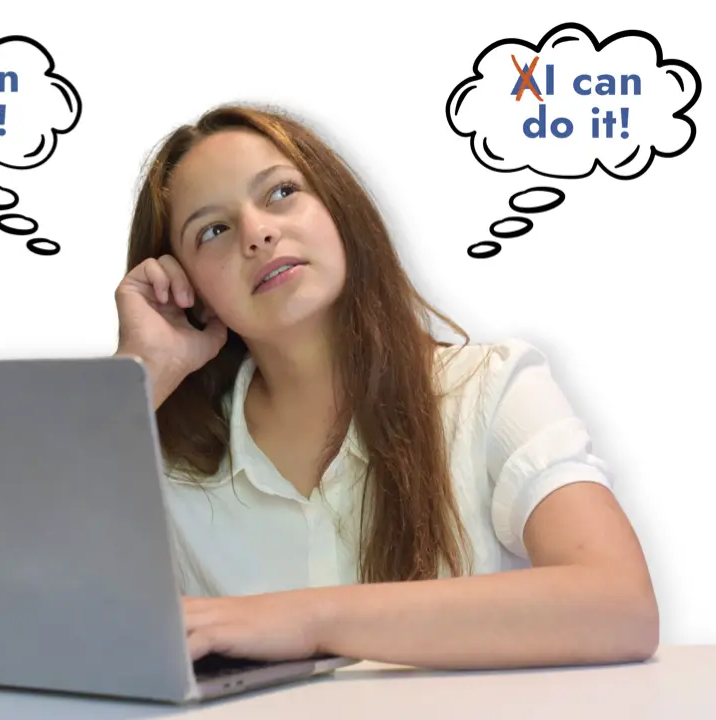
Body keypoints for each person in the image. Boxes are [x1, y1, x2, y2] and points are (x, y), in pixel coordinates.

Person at [113, 103, 658, 671]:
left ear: (338, 208)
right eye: (214, 231)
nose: (258, 233)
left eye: (279, 193)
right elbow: (23, 605)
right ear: (185, 284)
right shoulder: (157, 458)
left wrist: (301, 620)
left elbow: (620, 606)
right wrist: (143, 371)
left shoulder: (489, 388)